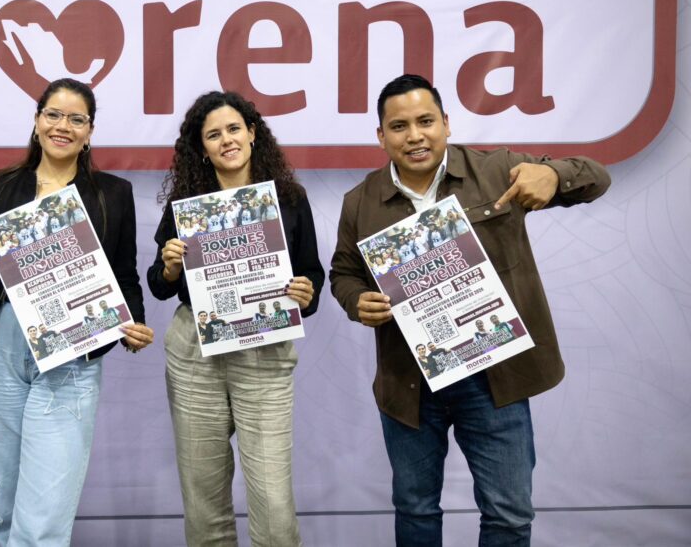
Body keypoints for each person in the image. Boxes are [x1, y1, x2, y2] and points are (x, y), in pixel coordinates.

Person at [329, 73, 610, 546]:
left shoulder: (497, 170)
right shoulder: (359, 202)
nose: (414, 136)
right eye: (399, 126)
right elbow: (343, 272)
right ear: (381, 136)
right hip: (410, 381)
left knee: (509, 514)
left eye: (425, 122)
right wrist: (356, 301)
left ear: (446, 123)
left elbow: (597, 177)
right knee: (415, 510)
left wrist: (554, 175)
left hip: (494, 375)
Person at [0, 78, 153, 547]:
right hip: (1, 349)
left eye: (76, 119)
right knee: (5, 498)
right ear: (36, 121)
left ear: (89, 131)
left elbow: (124, 273)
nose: (62, 126)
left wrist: (133, 322)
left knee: (46, 507)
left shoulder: (113, 193)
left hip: (73, 352)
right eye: (53, 115)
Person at [149, 90, 325, 547]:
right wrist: (169, 267)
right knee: (203, 500)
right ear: (202, 148)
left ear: (252, 133)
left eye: (233, 129)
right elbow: (159, 284)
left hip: (265, 350)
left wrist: (305, 292)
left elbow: (312, 273)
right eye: (213, 135)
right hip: (194, 354)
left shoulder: (289, 199)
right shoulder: (187, 205)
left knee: (274, 504)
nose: (226, 140)